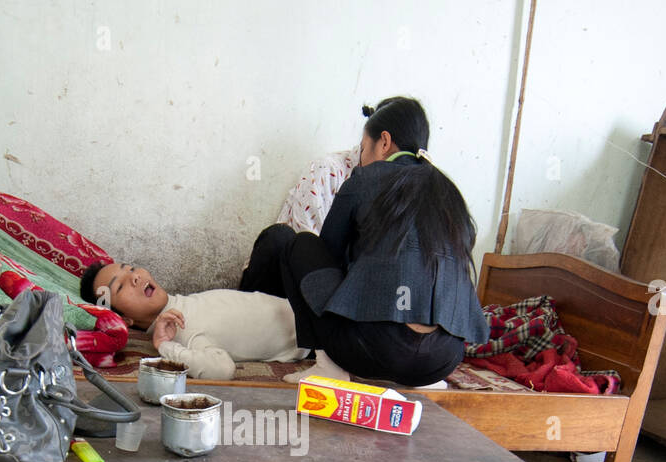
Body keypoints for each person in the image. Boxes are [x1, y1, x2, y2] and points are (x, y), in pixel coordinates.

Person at [243, 96, 489, 387]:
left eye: (362, 148)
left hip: (372, 351)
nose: (360, 157)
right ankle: (420, 382)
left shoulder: (364, 179)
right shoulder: (451, 192)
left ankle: (328, 368)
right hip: (441, 361)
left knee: (300, 245)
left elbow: (328, 257)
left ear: (384, 142)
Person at [79, 261, 308, 379]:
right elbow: (222, 370)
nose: (135, 277)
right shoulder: (182, 333)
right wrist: (165, 346)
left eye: (130, 268)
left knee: (277, 239)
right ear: (124, 319)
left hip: (300, 302)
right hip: (319, 333)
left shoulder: (185, 304)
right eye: (120, 286)